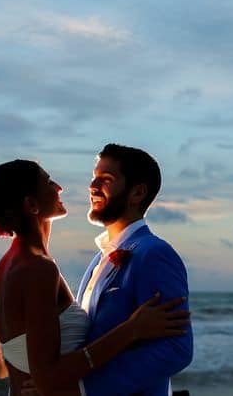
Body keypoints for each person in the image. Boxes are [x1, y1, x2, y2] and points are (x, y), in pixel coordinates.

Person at [0, 159, 190, 396]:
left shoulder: (5, 266)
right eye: (48, 182)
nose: (58, 187)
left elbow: (1, 366)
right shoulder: (39, 269)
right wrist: (131, 330)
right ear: (32, 204)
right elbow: (47, 380)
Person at [77, 144, 193, 396]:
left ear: (137, 192)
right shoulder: (98, 259)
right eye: (94, 177)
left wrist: (86, 389)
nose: (93, 186)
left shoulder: (154, 254)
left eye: (106, 179)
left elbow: (176, 348)